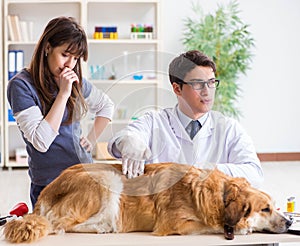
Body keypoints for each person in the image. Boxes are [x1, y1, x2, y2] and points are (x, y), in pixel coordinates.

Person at [108, 50, 263, 188]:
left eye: (211, 83)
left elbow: (255, 174)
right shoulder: (154, 121)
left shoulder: (228, 128)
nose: (207, 91)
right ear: (177, 88)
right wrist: (128, 142)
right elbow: (121, 140)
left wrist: (207, 170)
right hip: (163, 214)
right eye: (198, 84)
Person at [7, 16, 114, 208]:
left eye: (76, 58)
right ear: (47, 47)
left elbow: (107, 106)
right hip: (49, 184)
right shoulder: (21, 86)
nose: (70, 65)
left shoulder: (75, 80)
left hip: (83, 177)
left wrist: (91, 138)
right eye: (65, 54)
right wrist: (63, 94)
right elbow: (41, 141)